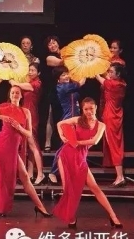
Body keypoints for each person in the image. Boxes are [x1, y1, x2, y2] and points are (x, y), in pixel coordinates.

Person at [0, 86, 53, 218]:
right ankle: (2, 208)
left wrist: (20, 128)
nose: (15, 94)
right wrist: (2, 117)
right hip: (0, 145)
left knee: (24, 176)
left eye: (17, 93)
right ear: (10, 95)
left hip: (13, 148)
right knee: (2, 178)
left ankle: (40, 207)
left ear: (21, 96)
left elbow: (29, 133)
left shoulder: (26, 111)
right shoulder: (4, 107)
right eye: (13, 92)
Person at [52, 98, 123, 229]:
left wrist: (77, 142)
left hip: (81, 159)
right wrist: (62, 135)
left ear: (96, 108)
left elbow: (94, 141)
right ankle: (71, 218)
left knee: (95, 188)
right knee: (67, 189)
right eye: (86, 109)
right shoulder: (78, 120)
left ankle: (113, 216)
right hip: (66, 155)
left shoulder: (101, 125)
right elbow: (59, 123)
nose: (89, 111)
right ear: (82, 110)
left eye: (91, 108)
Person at [10, 63, 46, 185]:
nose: (30, 72)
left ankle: (40, 173)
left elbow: (18, 85)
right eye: (29, 70)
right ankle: (30, 173)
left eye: (33, 70)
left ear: (38, 73)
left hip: (32, 115)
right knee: (30, 146)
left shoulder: (36, 84)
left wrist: (11, 79)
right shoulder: (29, 82)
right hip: (25, 114)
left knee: (33, 144)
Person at [95, 64, 127, 186]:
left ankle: (120, 176)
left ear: (118, 74)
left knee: (114, 145)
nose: (109, 73)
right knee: (114, 143)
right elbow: (107, 78)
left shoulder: (112, 84)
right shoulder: (121, 83)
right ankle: (119, 176)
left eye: (111, 72)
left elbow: (98, 77)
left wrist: (93, 67)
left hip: (110, 116)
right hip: (116, 114)